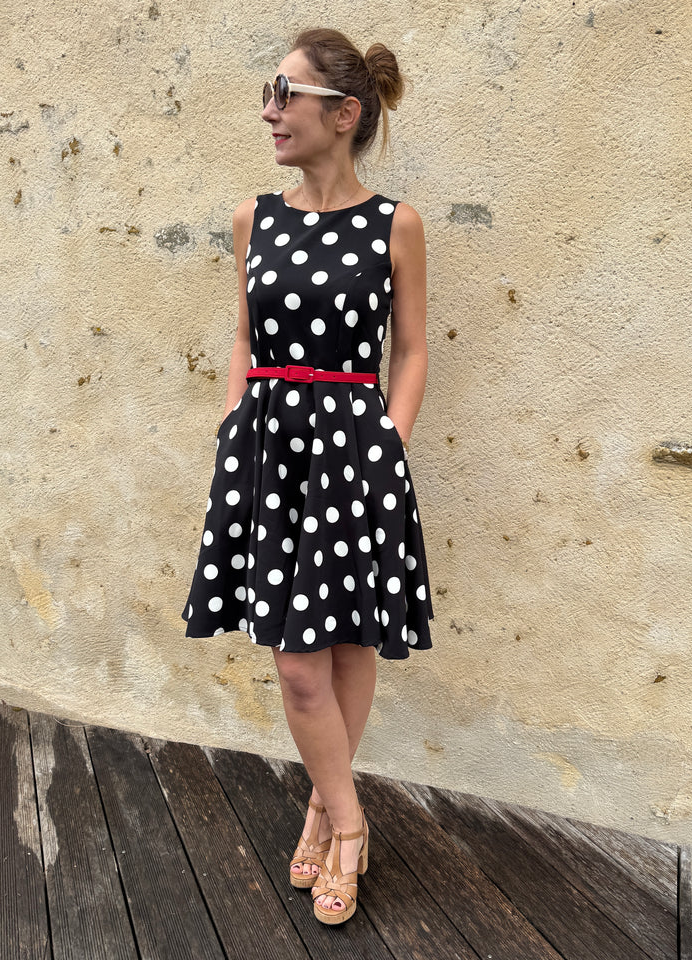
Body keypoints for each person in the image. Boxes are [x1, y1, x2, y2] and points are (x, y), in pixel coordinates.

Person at [181, 27, 434, 924]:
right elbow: (245, 336)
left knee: (350, 641)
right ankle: (349, 818)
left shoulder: (395, 224)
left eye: (284, 93)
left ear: (345, 113)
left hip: (355, 453)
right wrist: (231, 417)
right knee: (298, 665)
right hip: (269, 451)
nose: (269, 111)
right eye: (269, 92)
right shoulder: (255, 217)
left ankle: (328, 816)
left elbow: (411, 350)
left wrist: (389, 441)